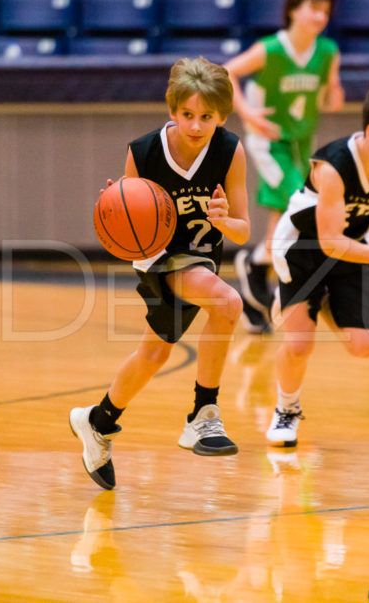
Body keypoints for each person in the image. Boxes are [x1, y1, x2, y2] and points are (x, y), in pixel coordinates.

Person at [69, 57, 251, 489]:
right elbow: (127, 225)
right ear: (172, 110)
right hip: (159, 258)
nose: (195, 124)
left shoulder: (230, 150)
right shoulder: (144, 151)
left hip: (203, 257)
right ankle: (204, 414)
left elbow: (243, 231)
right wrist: (118, 205)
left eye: (206, 116)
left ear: (222, 115)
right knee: (228, 303)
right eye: (187, 115)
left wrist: (225, 221)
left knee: (154, 355)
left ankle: (96, 421)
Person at [265, 80, 369, 447]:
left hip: (351, 246)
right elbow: (328, 241)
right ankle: (286, 409)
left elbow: (346, 239)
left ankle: (316, 300)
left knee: (365, 346)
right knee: (299, 345)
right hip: (304, 248)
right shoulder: (333, 167)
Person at [225, 0, 345, 334]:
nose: (320, 16)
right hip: (270, 141)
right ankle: (257, 266)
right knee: (301, 204)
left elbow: (327, 100)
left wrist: (334, 92)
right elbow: (227, 71)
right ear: (293, 9)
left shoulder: (327, 52)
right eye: (314, 8)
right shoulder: (270, 49)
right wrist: (247, 113)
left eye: (326, 11)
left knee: (282, 216)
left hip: (300, 143)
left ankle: (254, 281)